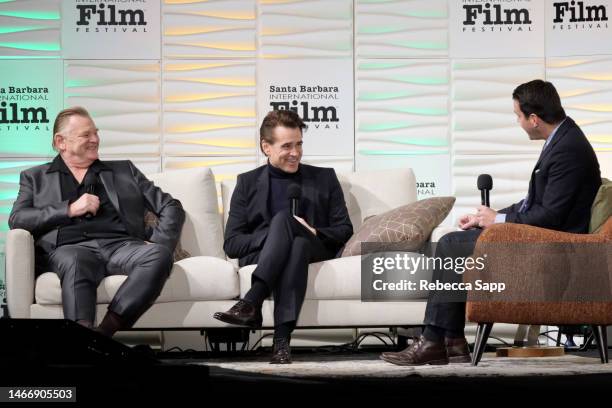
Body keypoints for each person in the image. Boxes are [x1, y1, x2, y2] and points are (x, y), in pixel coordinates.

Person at [380, 79, 601, 366]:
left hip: (555, 249)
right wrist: (486, 218)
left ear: (534, 119)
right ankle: (454, 343)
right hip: (541, 237)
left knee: (450, 244)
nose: (518, 122)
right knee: (456, 243)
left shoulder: (568, 148)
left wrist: (498, 221)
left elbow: (551, 216)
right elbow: (532, 203)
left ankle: (435, 340)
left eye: (518, 116)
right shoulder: (562, 138)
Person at [9, 106, 185, 337]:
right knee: (75, 261)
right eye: (86, 135)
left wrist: (160, 241)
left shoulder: (124, 171)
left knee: (159, 255)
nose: (95, 139)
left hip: (121, 246)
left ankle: (103, 333)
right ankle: (82, 334)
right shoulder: (35, 177)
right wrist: (69, 209)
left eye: (96, 133)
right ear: (60, 141)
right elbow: (18, 219)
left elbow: (171, 206)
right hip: (69, 249)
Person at [214, 110, 353, 364]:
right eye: (287, 145)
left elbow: (344, 229)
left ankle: (251, 301)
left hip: (316, 247)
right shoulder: (247, 183)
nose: (296, 152)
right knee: (294, 241)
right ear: (266, 147)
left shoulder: (324, 178)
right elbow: (232, 244)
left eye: (299, 144)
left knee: (298, 235)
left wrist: (313, 231)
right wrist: (277, 234)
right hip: (273, 253)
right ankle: (281, 342)